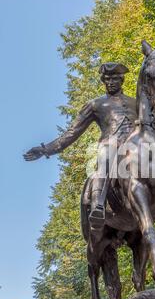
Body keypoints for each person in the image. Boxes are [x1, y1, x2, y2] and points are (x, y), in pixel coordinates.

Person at [24, 62, 137, 228]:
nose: (110, 82)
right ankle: (98, 205)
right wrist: (45, 149)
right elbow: (72, 132)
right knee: (107, 154)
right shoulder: (95, 105)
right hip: (111, 146)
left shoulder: (136, 102)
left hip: (137, 147)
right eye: (107, 79)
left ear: (122, 80)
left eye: (114, 78)